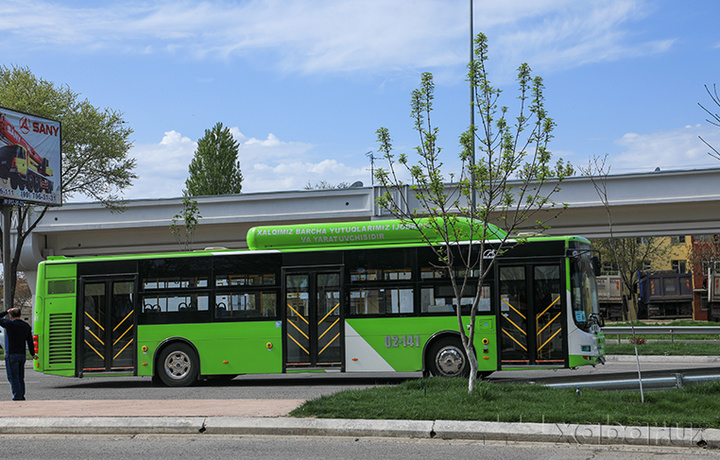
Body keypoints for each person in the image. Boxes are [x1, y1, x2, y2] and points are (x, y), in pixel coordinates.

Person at [0, 307, 38, 401]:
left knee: (13, 377)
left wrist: (6, 311)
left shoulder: (9, 324)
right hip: (22, 354)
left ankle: (17, 396)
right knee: (20, 376)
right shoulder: (26, 326)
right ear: (20, 315)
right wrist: (32, 354)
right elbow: (29, 341)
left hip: (11, 354)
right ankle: (21, 394)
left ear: (10, 315)